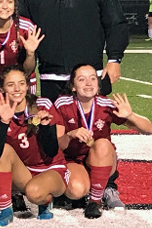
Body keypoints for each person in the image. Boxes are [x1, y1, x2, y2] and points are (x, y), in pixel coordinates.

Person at [56, 64, 152, 218]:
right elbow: (58, 145)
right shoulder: (63, 105)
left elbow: (148, 128)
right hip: (73, 160)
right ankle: (95, 187)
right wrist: (71, 134)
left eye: (93, 78)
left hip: (102, 159)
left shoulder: (105, 105)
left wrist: (130, 115)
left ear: (98, 84)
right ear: (73, 87)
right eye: (82, 79)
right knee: (76, 190)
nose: (88, 83)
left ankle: (95, 201)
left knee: (102, 144)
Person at [0, 66, 69, 226]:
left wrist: (46, 127)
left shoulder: (41, 104)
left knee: (34, 193)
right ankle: (5, 210)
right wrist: (4, 121)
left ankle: (45, 202)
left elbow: (52, 151)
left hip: (51, 168)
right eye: (11, 84)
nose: (17, 89)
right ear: (2, 88)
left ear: (27, 86)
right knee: (4, 151)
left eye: (21, 83)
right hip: (24, 171)